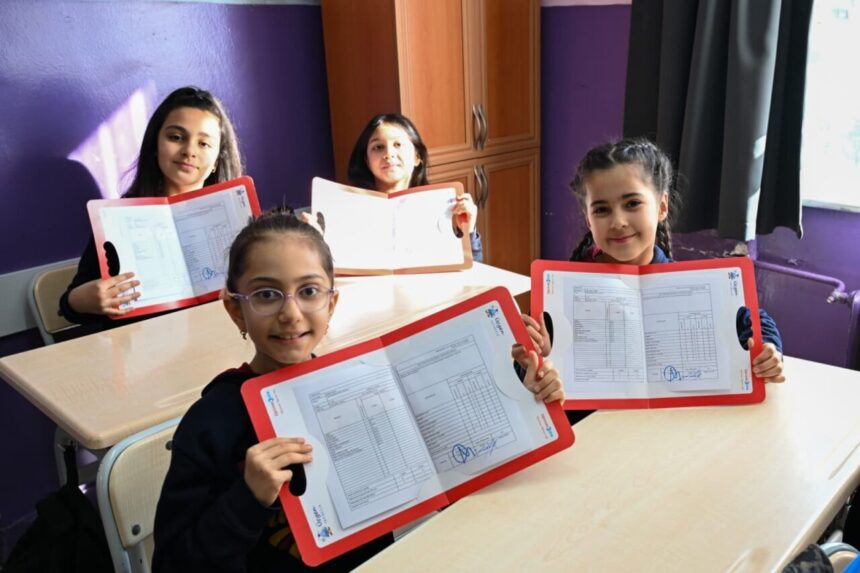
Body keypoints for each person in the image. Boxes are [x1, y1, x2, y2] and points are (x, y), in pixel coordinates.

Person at [152, 209, 564, 571]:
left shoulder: (361, 385)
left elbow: (453, 450)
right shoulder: (211, 423)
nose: (290, 313)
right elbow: (172, 564)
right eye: (266, 294)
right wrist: (246, 499)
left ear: (331, 304)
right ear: (235, 308)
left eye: (309, 291)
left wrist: (524, 396)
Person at [515, 138, 785, 424]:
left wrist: (768, 350)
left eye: (632, 203)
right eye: (602, 209)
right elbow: (530, 381)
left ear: (661, 206)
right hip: (594, 435)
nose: (618, 221)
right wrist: (535, 371)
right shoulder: (562, 294)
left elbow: (754, 320)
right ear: (588, 218)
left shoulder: (690, 286)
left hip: (668, 431)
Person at [58, 86, 243, 329]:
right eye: (176, 137)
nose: (189, 151)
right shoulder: (118, 219)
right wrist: (85, 299)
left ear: (217, 160)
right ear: (155, 145)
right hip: (139, 346)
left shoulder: (238, 216)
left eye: (204, 143)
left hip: (219, 340)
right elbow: (70, 307)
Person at [347, 113, 484, 262]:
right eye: (378, 147)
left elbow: (473, 268)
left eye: (398, 145)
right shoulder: (353, 210)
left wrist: (468, 231)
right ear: (367, 160)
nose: (389, 154)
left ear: (417, 157)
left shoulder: (438, 207)